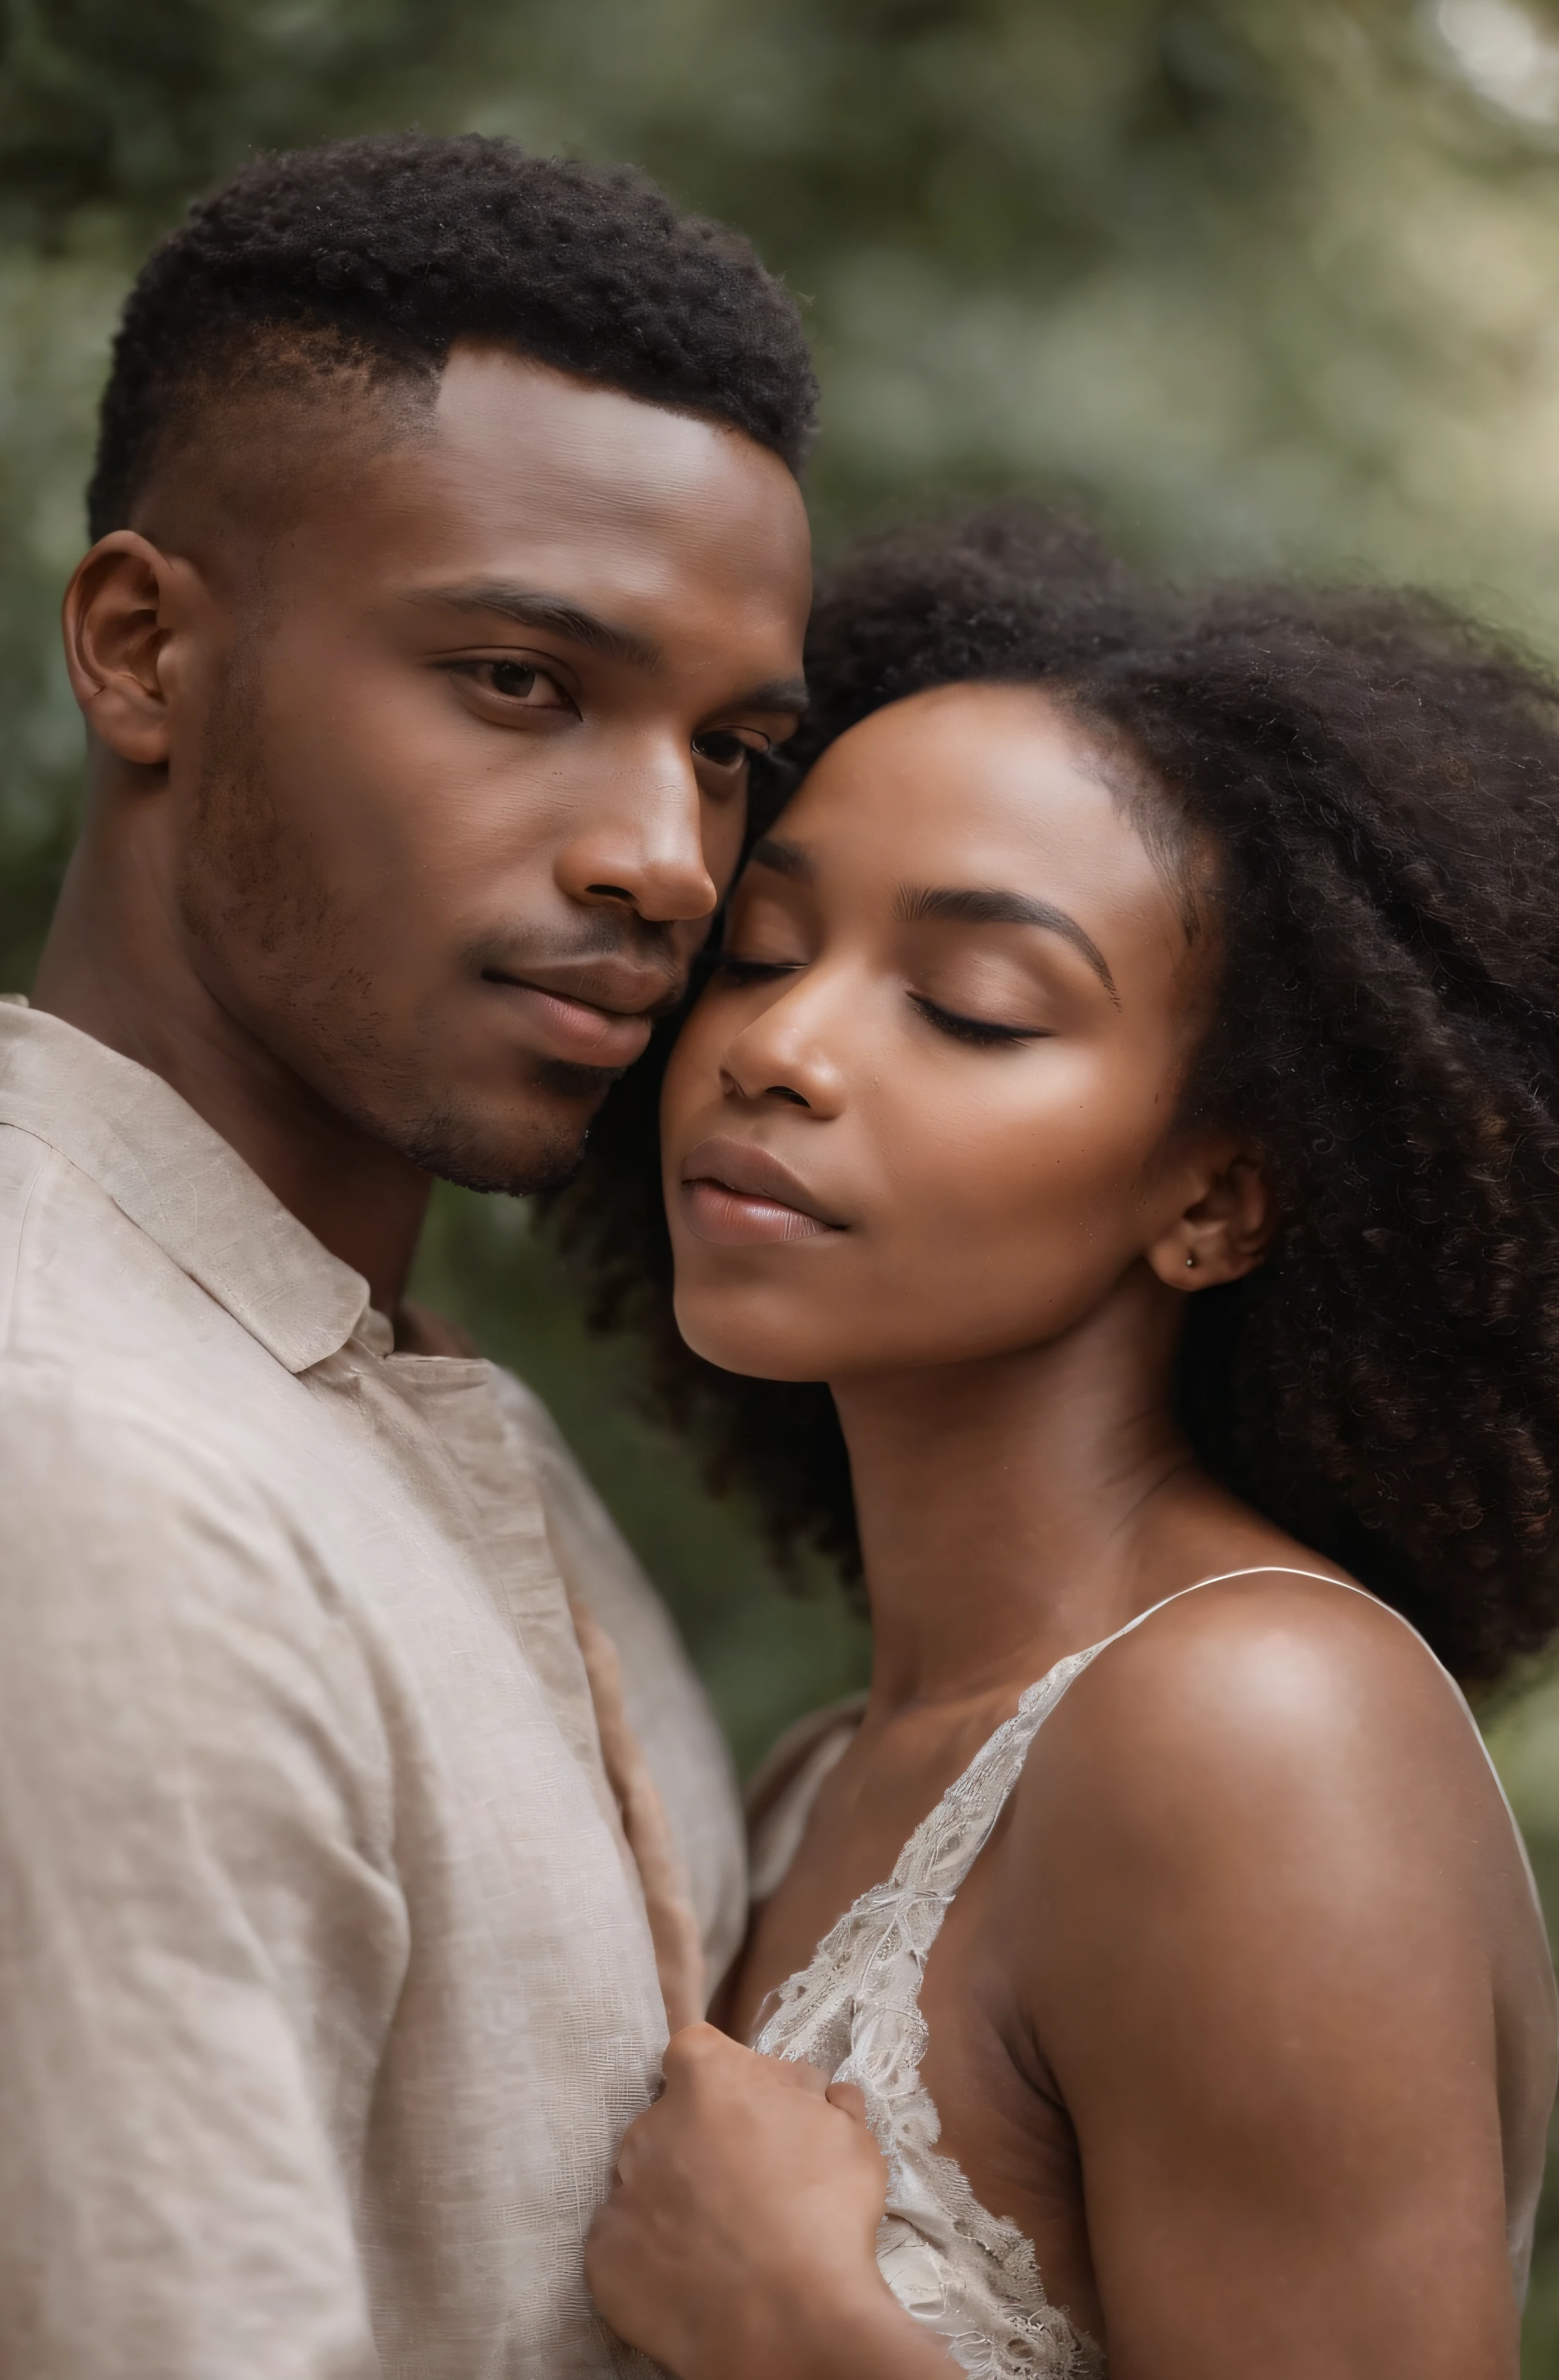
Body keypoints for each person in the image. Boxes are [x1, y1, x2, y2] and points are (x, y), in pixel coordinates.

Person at [0, 132, 815, 2377]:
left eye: (726, 751)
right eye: (523, 681)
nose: (665, 862)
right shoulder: (62, 1464)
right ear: (141, 650)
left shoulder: (415, 1416)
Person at [569, 510, 1559, 2379]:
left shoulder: (1254, 1728)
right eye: (763, 949)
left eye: (969, 1006)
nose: (779, 1047)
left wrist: (795, 2334)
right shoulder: (816, 1777)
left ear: (1216, 1200)